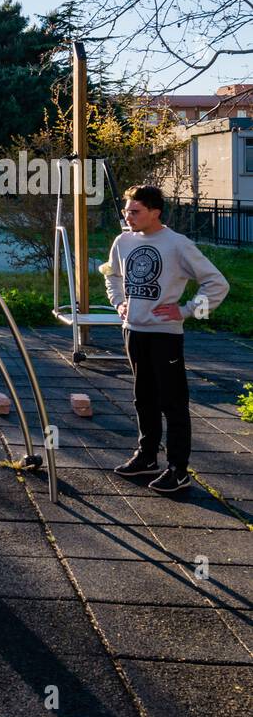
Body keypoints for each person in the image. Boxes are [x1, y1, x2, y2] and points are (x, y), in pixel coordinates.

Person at [105, 184, 229, 493]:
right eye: (126, 211)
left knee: (173, 403)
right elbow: (112, 274)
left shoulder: (178, 244)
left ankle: (178, 470)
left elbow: (217, 283)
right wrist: (118, 302)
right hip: (134, 331)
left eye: (135, 211)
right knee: (143, 398)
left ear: (155, 212)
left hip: (164, 335)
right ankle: (147, 457)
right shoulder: (123, 241)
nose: (128, 216)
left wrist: (187, 310)